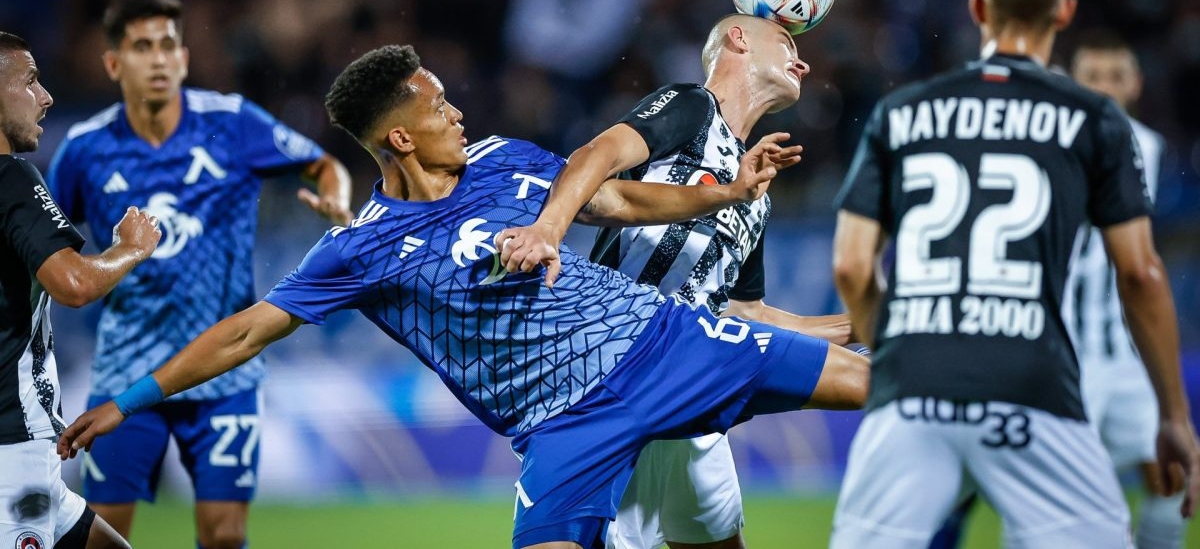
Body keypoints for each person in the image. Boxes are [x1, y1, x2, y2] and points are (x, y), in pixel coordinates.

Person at [57, 43, 870, 549]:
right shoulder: (361, 247)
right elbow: (245, 332)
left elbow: (616, 199)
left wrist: (724, 193)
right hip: (562, 426)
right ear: (400, 137)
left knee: (870, 379)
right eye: (439, 106)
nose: (457, 112)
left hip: (659, 342)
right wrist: (128, 400)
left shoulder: (503, 157)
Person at [828, 0, 1200, 547]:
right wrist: (1175, 415)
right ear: (1065, 11)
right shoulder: (1094, 120)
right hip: (1033, 379)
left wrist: (893, 351)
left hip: (914, 383)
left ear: (978, 8)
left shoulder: (902, 112)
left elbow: (850, 266)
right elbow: (1141, 273)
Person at [499, 13, 851, 549]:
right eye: (785, 43)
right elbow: (596, 155)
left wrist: (865, 324)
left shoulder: (755, 189)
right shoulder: (692, 107)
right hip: (622, 369)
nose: (801, 62)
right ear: (737, 39)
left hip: (693, 372)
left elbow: (747, 314)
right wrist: (549, 228)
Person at [46, 0, 353, 549]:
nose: (159, 59)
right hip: (126, 366)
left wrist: (334, 196)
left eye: (168, 46)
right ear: (114, 63)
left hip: (222, 371)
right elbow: (48, 248)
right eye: (142, 47)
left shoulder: (232, 122)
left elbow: (323, 163)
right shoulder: (84, 149)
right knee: (103, 532)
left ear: (185, 58)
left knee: (224, 534)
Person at [0, 31, 161, 549]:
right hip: (12, 452)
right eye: (30, 81)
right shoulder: (11, 179)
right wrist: (131, 248)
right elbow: (74, 283)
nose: (45, 97)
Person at [1062, 31, 1184, 548]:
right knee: (1059, 496)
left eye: (1116, 76)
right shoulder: (1053, 141)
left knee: (1172, 478)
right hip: (1068, 352)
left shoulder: (1149, 147)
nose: (1106, 87)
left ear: (1135, 83)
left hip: (1127, 353)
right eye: (1094, 76)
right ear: (1073, 82)